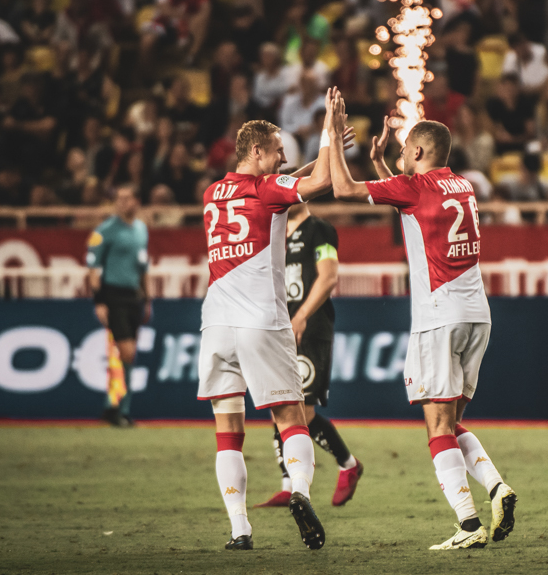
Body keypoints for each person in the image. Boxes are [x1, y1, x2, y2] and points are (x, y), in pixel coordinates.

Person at [324, 94, 516, 551]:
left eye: (406, 148)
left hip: (438, 319)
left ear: (418, 151)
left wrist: (331, 134)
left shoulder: (412, 188)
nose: (402, 153)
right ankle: (496, 487)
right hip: (477, 316)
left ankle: (468, 524)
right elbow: (410, 203)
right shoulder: (463, 185)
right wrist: (383, 166)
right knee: (450, 422)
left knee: (437, 428)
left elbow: (344, 190)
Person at [198, 91, 339, 552]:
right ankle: (299, 492)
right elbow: (316, 184)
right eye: (278, 151)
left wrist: (308, 163)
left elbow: (274, 187)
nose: (283, 159)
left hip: (216, 325)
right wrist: (329, 134)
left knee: (227, 433)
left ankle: (240, 530)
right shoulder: (267, 192)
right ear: (256, 151)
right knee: (291, 418)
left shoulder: (213, 193)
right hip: (261, 320)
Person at [255, 198, 364, 509]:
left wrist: (302, 315)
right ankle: (288, 484)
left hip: (310, 327)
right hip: (280, 328)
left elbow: (328, 277)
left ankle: (348, 464)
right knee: (279, 403)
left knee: (303, 411)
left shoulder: (320, 230)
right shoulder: (275, 234)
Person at [86, 185, 150, 428]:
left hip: (134, 296)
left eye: (127, 198)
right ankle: (118, 408)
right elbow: (93, 269)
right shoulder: (105, 231)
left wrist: (147, 298)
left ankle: (116, 407)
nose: (122, 202)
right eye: (119, 199)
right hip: (113, 295)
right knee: (127, 352)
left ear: (137, 201)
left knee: (127, 355)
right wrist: (99, 301)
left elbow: (143, 266)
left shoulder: (141, 229)